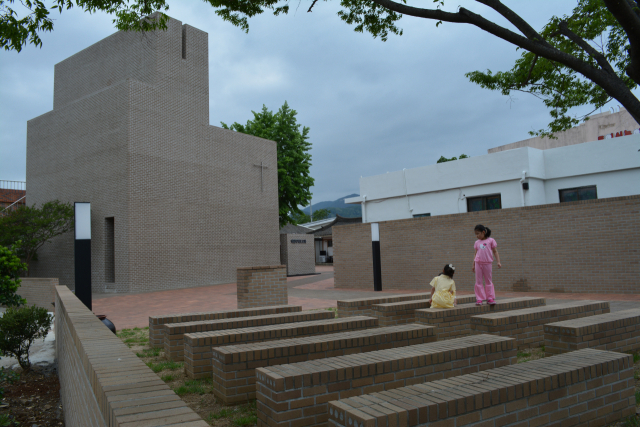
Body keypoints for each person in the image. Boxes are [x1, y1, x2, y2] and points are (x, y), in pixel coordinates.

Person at [472, 224, 501, 306]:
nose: (477, 236)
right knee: (478, 281)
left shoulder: (491, 240)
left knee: (488, 281)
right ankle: (479, 299)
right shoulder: (477, 242)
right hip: (478, 263)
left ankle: (490, 298)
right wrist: (473, 264)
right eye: (475, 234)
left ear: (483, 232)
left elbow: (495, 251)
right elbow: (475, 253)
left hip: (488, 263)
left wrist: (498, 261)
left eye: (478, 233)